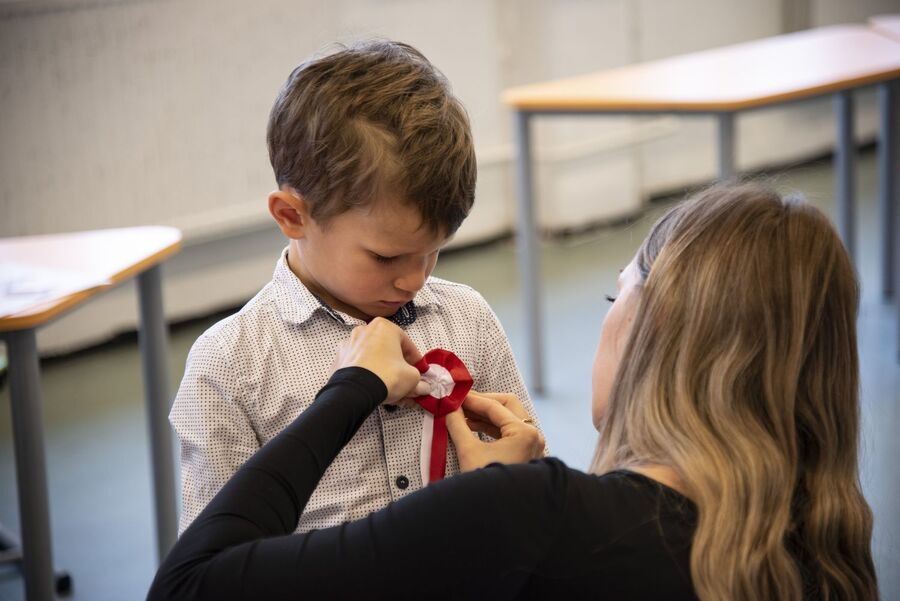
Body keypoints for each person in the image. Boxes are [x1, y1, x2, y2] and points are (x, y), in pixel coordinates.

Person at [149, 183, 879, 601]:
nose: (410, 280)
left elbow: (188, 586)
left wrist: (352, 388)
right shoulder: (828, 549)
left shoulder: (519, 514)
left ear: (654, 329)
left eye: (611, 294)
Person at [168, 40, 542, 535]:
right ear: (292, 216)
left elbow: (532, 479)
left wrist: (523, 482)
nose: (414, 278)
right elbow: (217, 566)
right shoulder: (230, 368)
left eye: (433, 250)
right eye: (385, 257)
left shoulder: (467, 317)